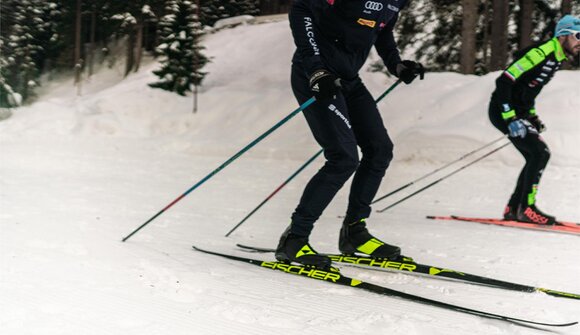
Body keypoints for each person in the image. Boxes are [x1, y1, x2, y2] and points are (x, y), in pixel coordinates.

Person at [275, 0, 425, 269]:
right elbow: (301, 8)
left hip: (348, 79)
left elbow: (382, 29)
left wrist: (397, 64)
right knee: (343, 158)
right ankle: (294, 238)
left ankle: (354, 233)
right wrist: (315, 67)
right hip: (316, 76)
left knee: (379, 150)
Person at [489, 15, 580, 225]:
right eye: (578, 36)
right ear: (563, 35)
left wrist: (531, 115)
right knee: (540, 153)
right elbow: (505, 81)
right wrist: (510, 117)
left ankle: (514, 208)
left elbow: (527, 90)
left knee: (535, 155)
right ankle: (526, 208)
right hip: (503, 110)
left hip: (518, 113)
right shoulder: (541, 53)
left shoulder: (556, 58)